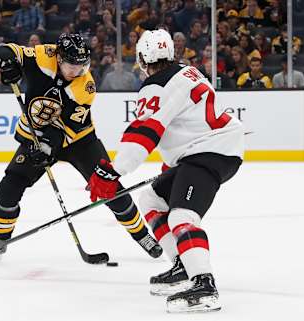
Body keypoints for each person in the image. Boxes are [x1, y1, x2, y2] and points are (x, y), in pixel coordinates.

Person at [88, 29, 244, 313]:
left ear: (142, 58)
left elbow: (145, 131)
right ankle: (183, 265)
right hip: (209, 151)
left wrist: (113, 171)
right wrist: (172, 168)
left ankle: (204, 284)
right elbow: (185, 124)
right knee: (151, 199)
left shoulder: (155, 85)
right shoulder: (188, 71)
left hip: (207, 153)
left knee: (182, 216)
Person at [0, 33, 163, 262]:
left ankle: (142, 235)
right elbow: (8, 50)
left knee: (109, 188)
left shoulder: (86, 87)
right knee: (8, 187)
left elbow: (66, 129)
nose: (78, 72)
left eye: (82, 66)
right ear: (59, 59)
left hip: (80, 141)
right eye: (72, 66)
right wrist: (6, 63)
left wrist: (46, 148)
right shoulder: (45, 56)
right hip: (37, 135)